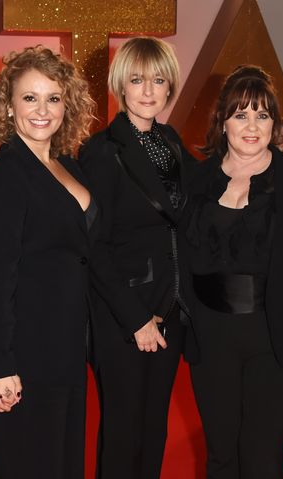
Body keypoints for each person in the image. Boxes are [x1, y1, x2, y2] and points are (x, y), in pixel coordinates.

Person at [182, 65, 283, 479]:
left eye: (262, 115)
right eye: (241, 114)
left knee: (262, 458)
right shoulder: (197, 178)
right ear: (223, 122)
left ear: (275, 122)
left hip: (278, 339)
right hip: (211, 337)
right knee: (220, 455)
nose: (252, 126)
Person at [0, 45, 96, 478]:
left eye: (53, 98)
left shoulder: (68, 165)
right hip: (26, 351)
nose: (42, 110)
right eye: (30, 98)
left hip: (66, 345)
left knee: (63, 461)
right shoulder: (5, 174)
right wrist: (1, 365)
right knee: (31, 463)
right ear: (8, 106)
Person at [78, 36, 196, 479]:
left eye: (158, 80)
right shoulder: (102, 151)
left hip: (170, 306)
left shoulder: (170, 142)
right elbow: (95, 246)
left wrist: (278, 156)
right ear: (120, 86)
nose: (148, 90)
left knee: (154, 427)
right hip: (124, 315)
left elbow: (209, 189)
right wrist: (135, 319)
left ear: (170, 87)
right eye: (137, 80)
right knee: (124, 429)